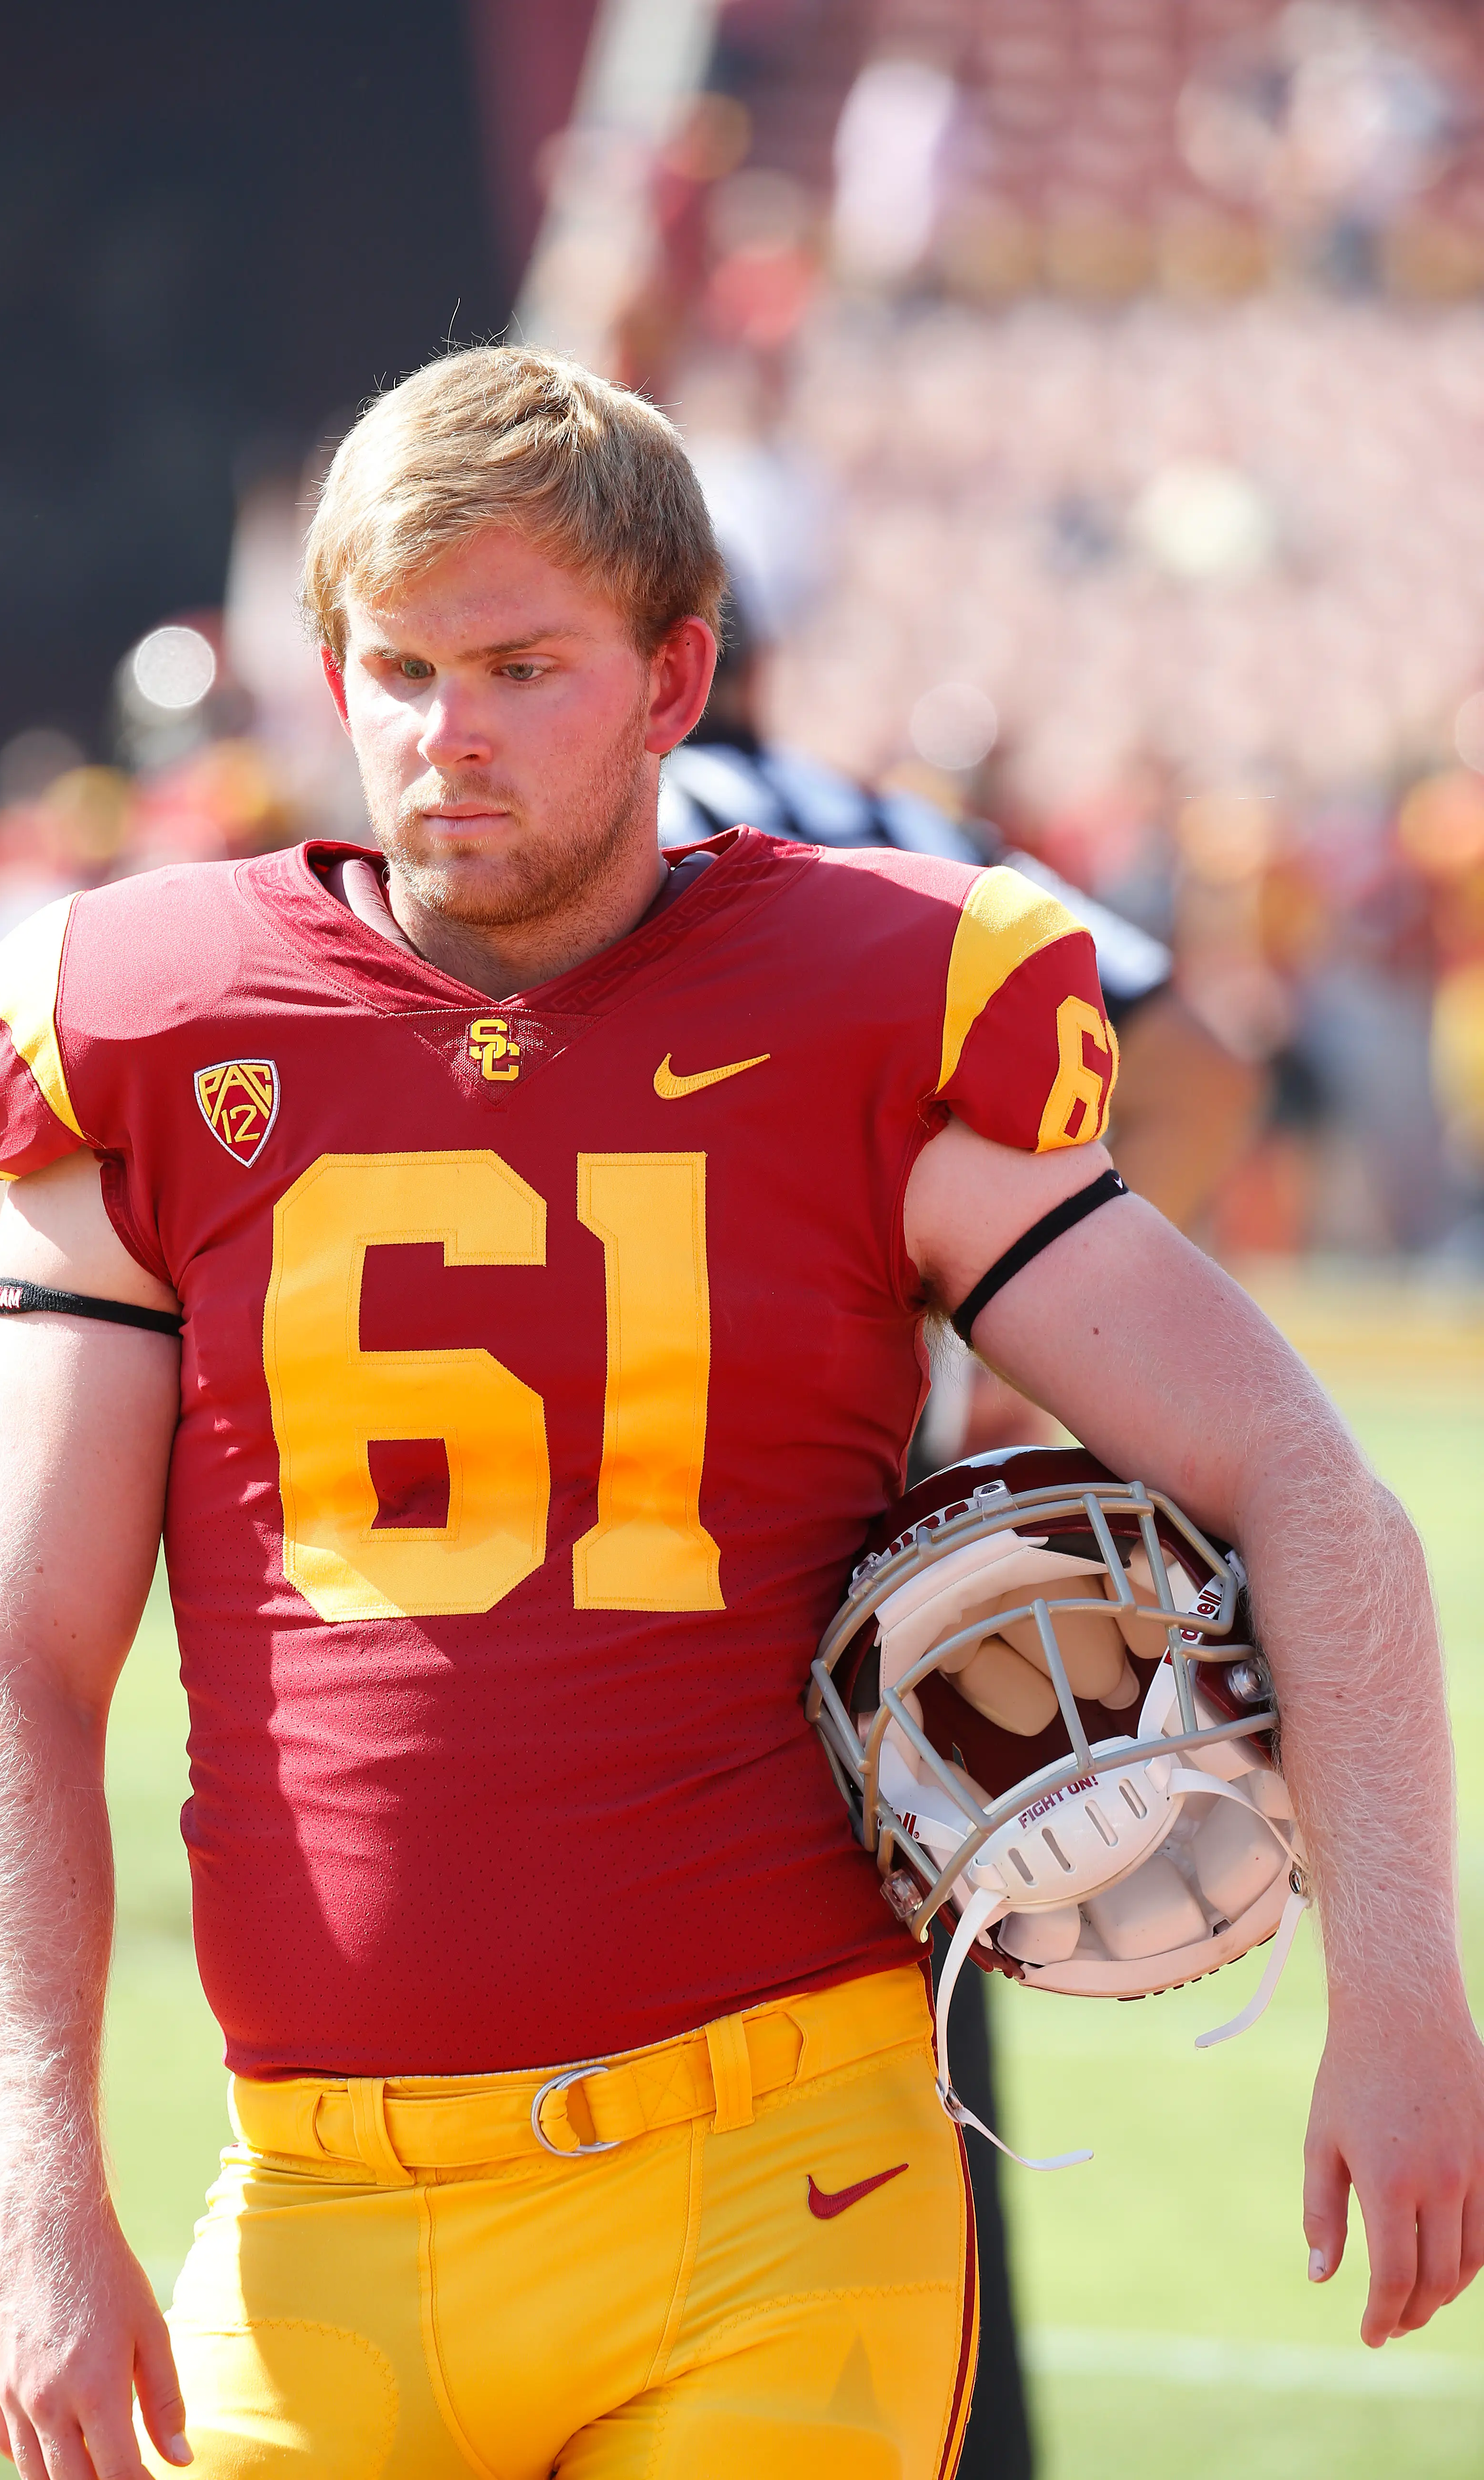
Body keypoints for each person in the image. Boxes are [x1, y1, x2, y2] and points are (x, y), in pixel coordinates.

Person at [0, 346, 1483, 2480]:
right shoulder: (155, 1024)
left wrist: (1401, 2000)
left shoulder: (875, 1000)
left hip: (783, 2187)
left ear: (675, 682)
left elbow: (1312, 1486)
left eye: (520, 668)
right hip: (319, 2201)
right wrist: (35, 2190)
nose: (442, 736)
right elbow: (12, 1659)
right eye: (394, 666)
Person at [664, 586, 1263, 2478]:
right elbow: (1205, 1059)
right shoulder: (894, 833)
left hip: (588, 1574)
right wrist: (1003, 1316)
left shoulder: (563, 836)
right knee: (903, 2099)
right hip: (882, 1560)